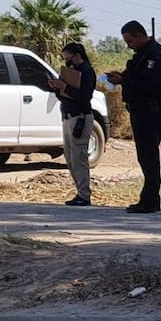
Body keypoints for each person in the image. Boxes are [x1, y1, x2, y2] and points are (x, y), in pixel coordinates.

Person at [106, 20, 161, 213]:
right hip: (139, 110)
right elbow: (133, 75)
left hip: (149, 110)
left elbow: (149, 84)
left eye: (130, 41)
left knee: (149, 156)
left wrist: (124, 80)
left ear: (140, 35)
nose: (128, 46)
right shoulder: (141, 55)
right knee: (144, 156)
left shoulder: (154, 54)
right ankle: (150, 199)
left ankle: (150, 200)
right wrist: (119, 77)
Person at [47, 42, 96, 206]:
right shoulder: (69, 71)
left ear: (77, 55)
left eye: (68, 57)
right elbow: (64, 95)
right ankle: (79, 192)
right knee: (70, 157)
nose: (67, 61)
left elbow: (83, 97)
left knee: (79, 158)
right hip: (67, 117)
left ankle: (84, 195)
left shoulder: (87, 72)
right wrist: (56, 87)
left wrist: (65, 87)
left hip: (80, 118)